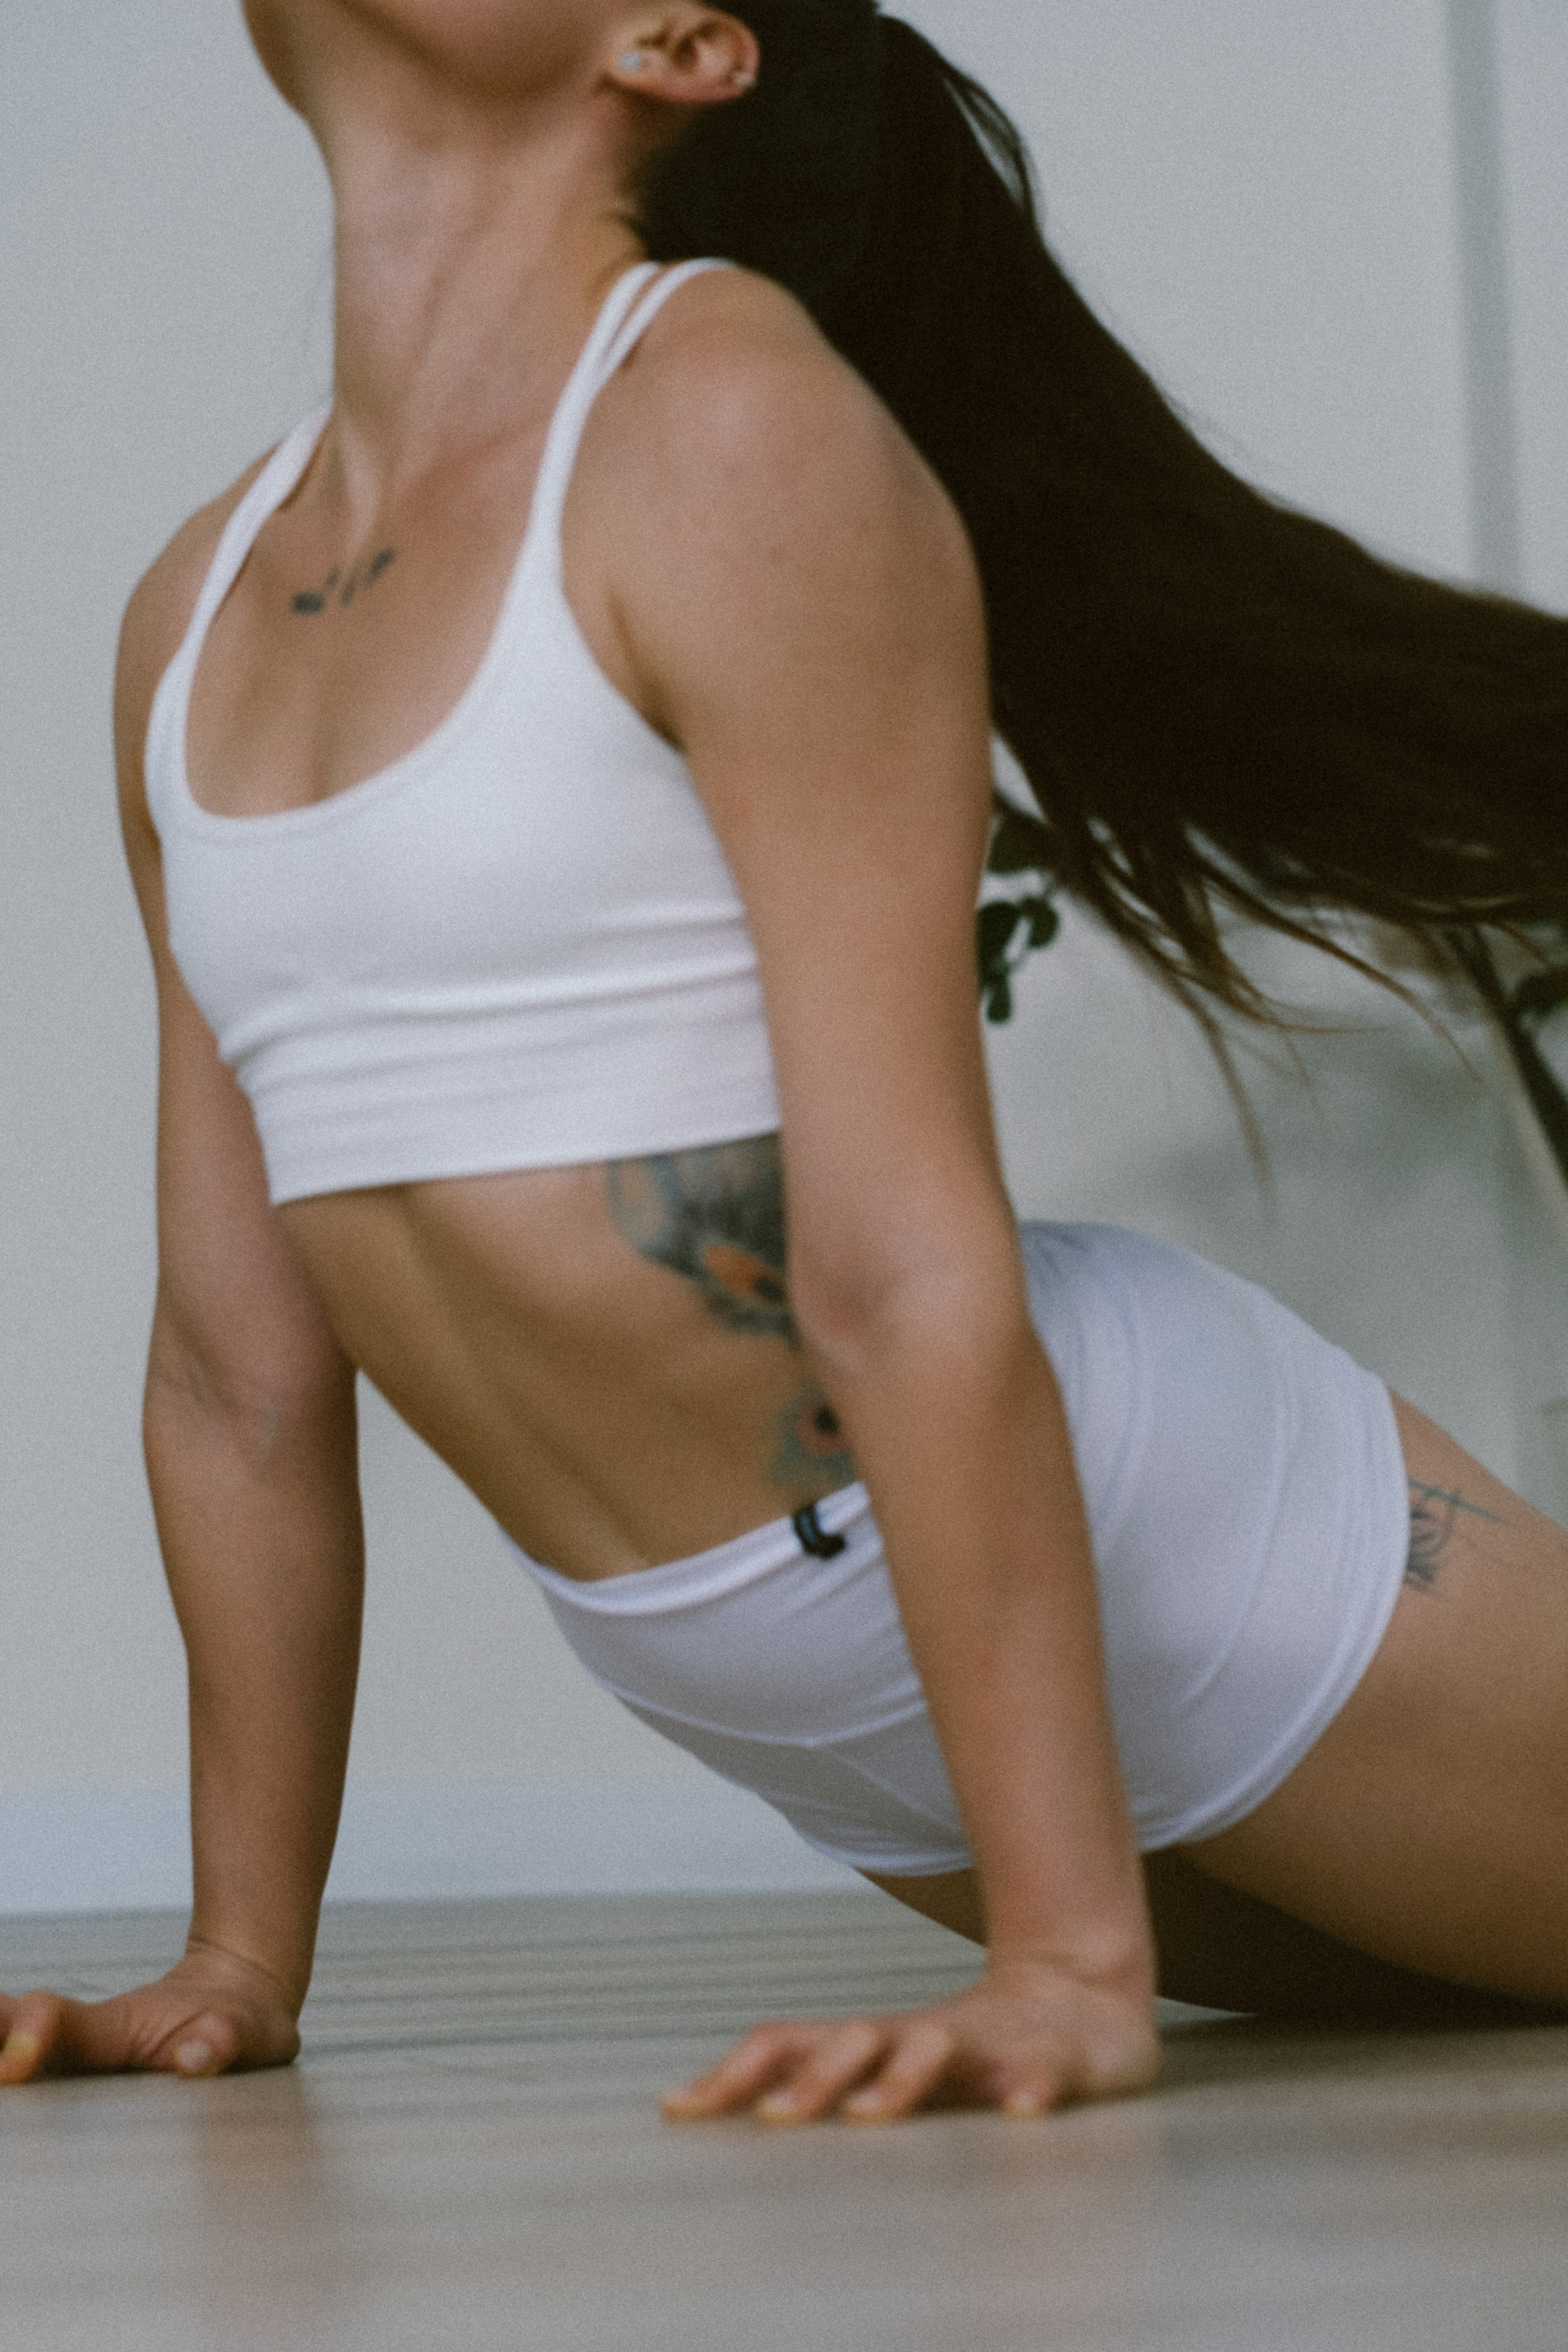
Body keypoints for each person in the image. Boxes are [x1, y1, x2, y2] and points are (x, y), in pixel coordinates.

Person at [3, 0, 1566, 2125]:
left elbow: (900, 1258)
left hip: (1182, 1556)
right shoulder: (200, 604)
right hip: (793, 1696)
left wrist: (1069, 1962)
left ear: (676, 44)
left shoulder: (730, 428)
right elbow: (235, 1367)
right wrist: (235, 1962)